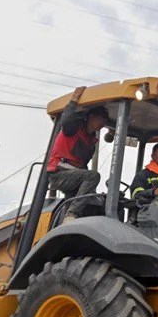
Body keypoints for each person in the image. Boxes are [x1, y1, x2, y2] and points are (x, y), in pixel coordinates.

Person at [46, 92, 109, 221]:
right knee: (93, 176)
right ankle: (71, 214)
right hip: (59, 173)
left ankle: (70, 219)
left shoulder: (91, 142)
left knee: (97, 201)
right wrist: (73, 101)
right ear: (91, 117)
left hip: (73, 176)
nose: (102, 123)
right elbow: (67, 121)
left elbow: (83, 164)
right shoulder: (73, 128)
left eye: (104, 121)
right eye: (100, 119)